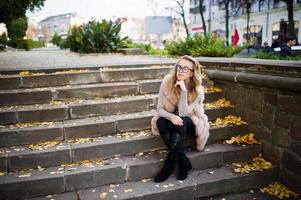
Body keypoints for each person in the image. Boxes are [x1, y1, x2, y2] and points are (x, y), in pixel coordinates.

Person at [151, 55, 210, 182]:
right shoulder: (167, 81)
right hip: (172, 118)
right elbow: (160, 109)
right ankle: (184, 162)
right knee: (160, 121)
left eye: (185, 69)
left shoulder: (198, 91)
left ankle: (169, 166)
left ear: (192, 73)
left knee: (180, 123)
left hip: (191, 120)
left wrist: (183, 91)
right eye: (179, 67)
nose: (180, 70)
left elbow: (184, 114)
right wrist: (171, 116)